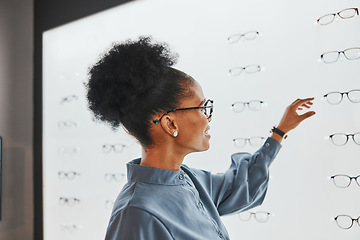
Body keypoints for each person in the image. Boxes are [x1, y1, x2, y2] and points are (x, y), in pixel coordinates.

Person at [86, 36, 315, 240]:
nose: (208, 119)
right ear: (170, 123)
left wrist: (280, 132)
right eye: (202, 108)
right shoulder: (136, 214)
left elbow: (241, 187)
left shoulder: (188, 180)